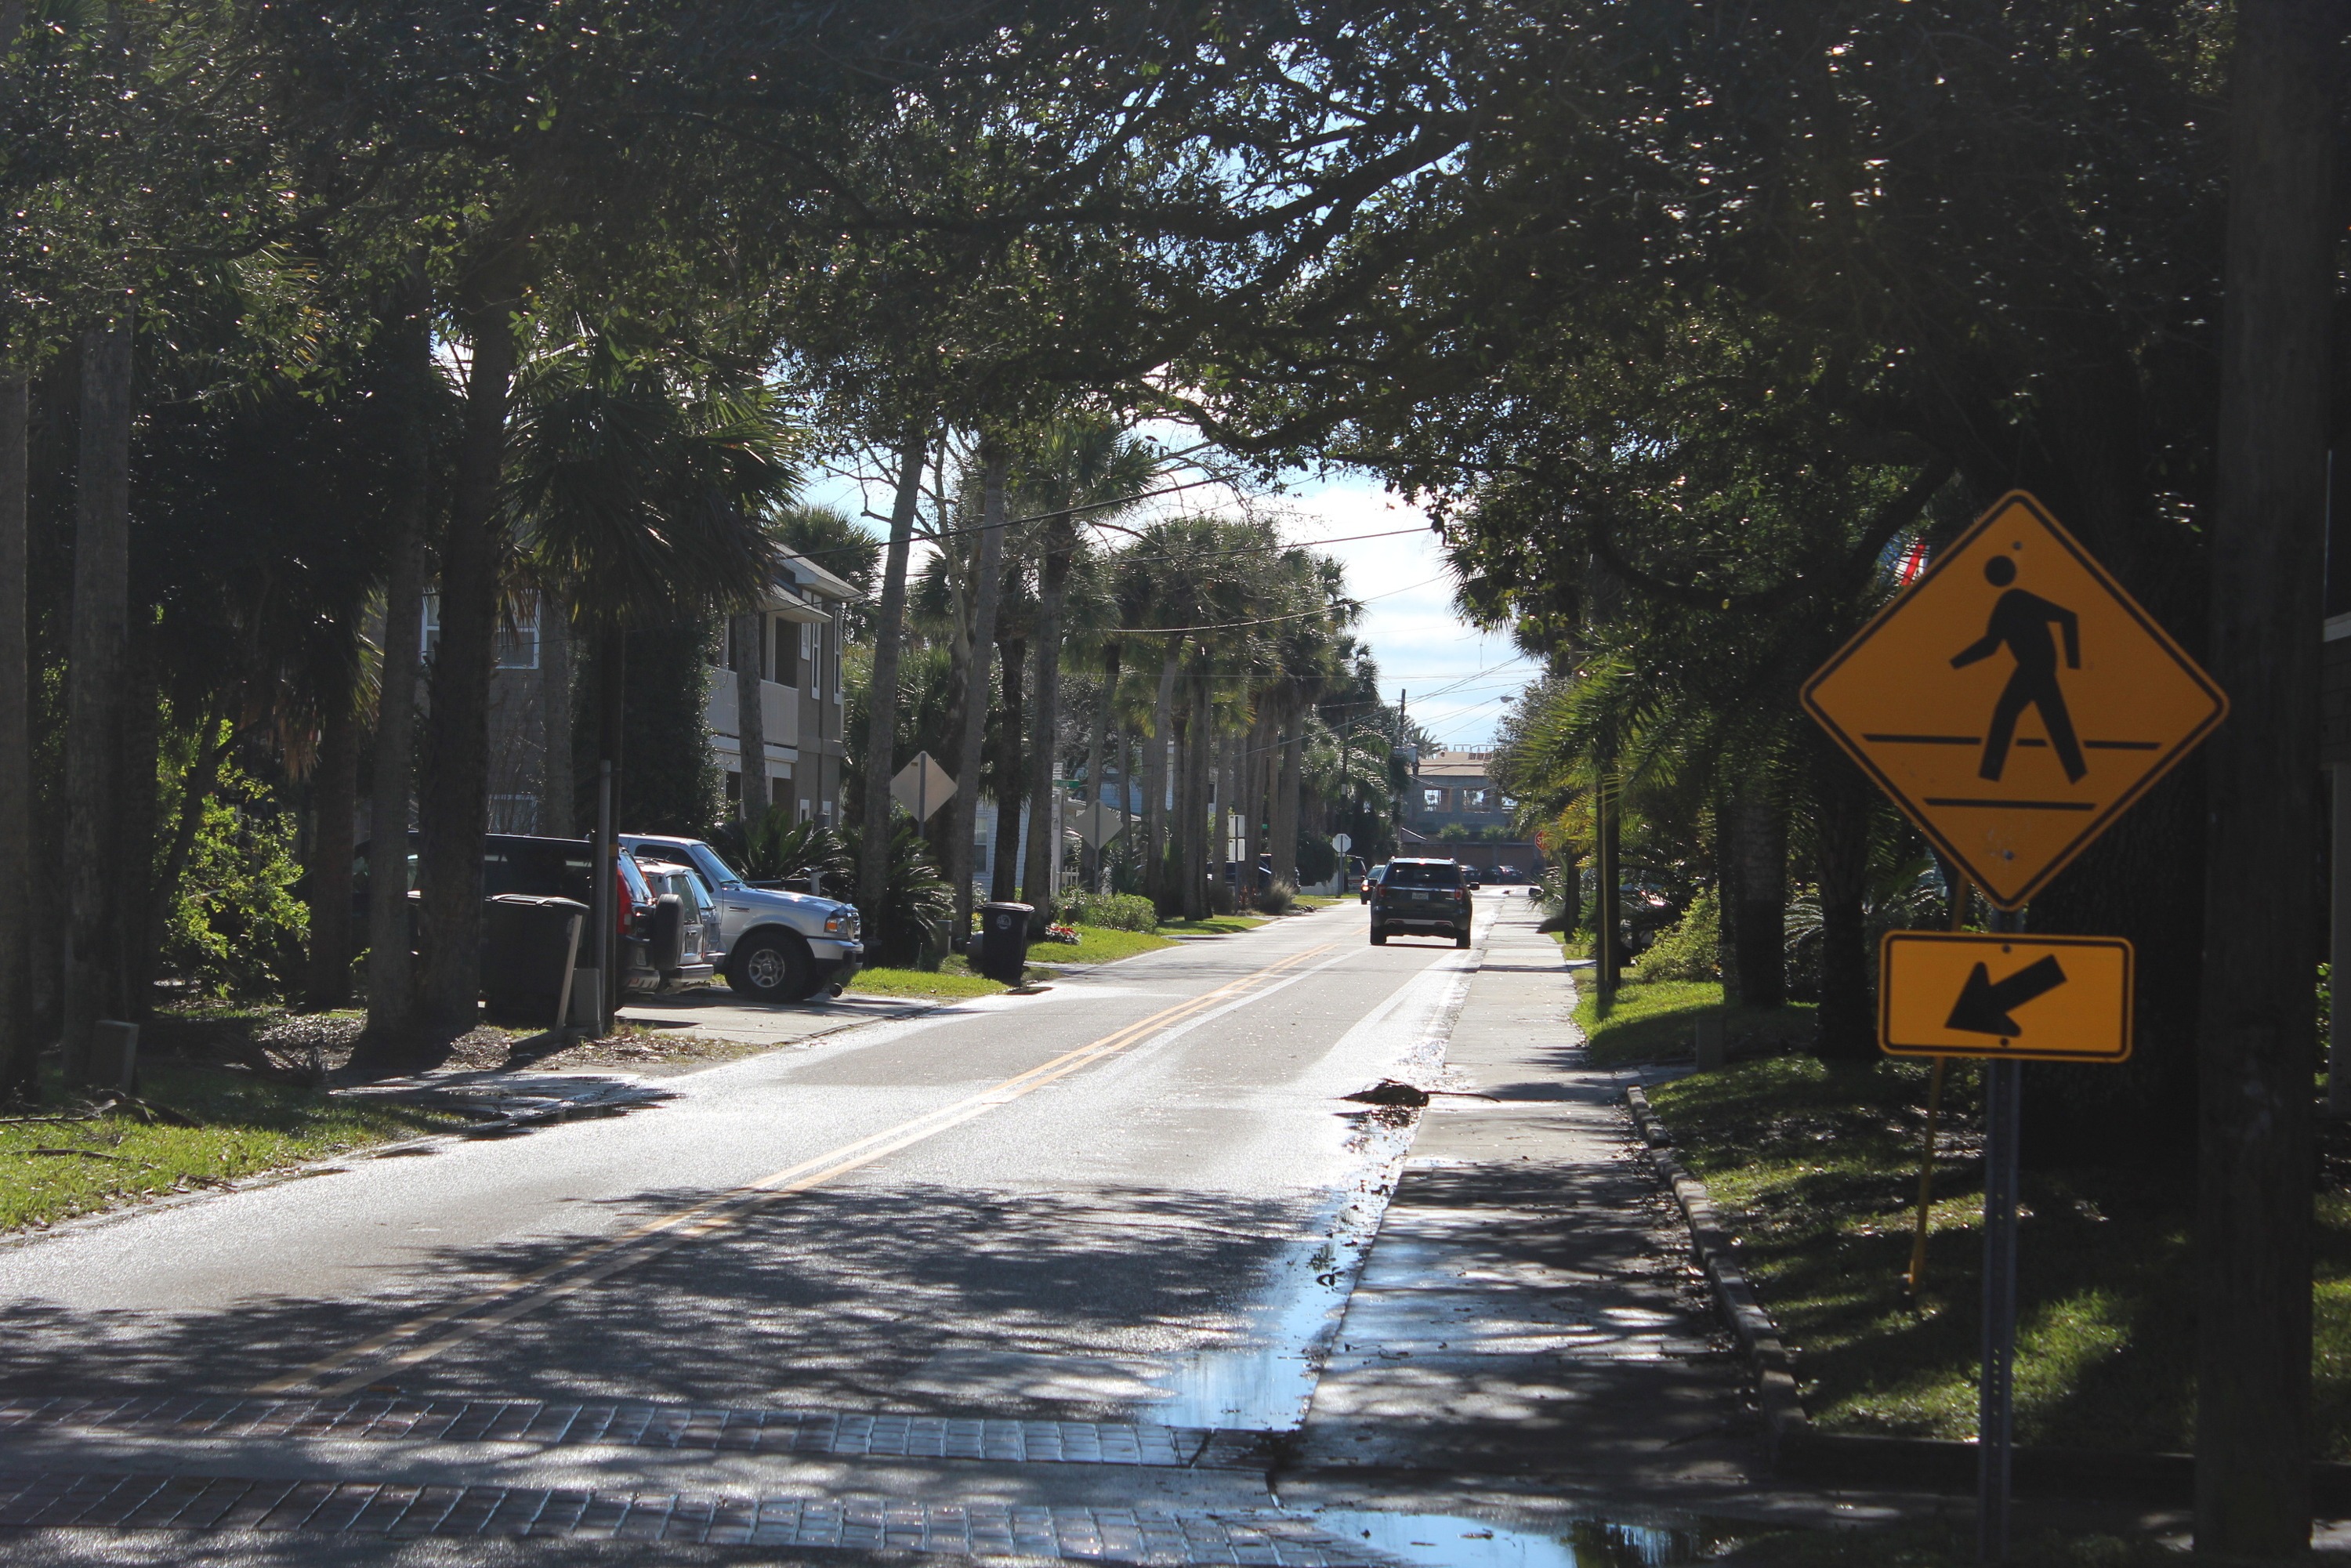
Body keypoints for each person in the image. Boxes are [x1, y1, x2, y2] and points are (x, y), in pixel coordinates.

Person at [1949, 554, 2086, 784]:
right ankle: (2079, 775)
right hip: (2033, 667)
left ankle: (1989, 775)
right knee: (2056, 721)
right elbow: (1991, 645)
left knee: (2006, 713)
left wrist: (2074, 665)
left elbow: (2068, 617)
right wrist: (1954, 663)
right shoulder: (2004, 604)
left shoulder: (2016, 598)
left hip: (2037, 667)